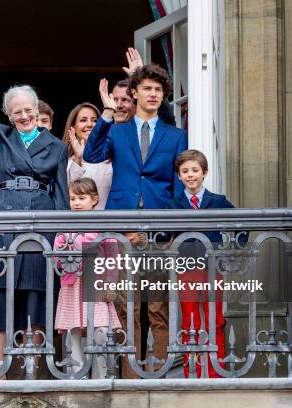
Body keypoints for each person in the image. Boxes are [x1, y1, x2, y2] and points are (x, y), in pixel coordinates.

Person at [83, 64, 188, 378]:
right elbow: (91, 154)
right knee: (128, 308)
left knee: (158, 307)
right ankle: (130, 377)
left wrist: (171, 229)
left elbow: (178, 184)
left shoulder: (175, 135)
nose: (153, 94)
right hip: (124, 226)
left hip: (159, 230)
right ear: (134, 93)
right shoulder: (117, 130)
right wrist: (105, 112)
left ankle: (157, 374)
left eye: (158, 90)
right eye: (147, 89)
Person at [0, 44, 69, 377]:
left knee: (36, 293)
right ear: (10, 115)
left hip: (41, 221)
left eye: (28, 110)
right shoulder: (1, 137)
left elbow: (63, 195)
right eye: (17, 112)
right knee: (1, 293)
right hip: (4, 219)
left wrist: (60, 237)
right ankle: (1, 370)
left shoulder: (56, 146)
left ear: (37, 110)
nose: (24, 116)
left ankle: (35, 369)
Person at [164, 149, 239, 378]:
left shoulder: (218, 201)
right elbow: (162, 232)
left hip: (212, 269)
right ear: (179, 175)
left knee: (214, 319)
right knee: (189, 321)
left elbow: (241, 223)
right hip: (186, 270)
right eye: (185, 171)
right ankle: (191, 374)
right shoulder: (173, 205)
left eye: (195, 170)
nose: (190, 175)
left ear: (204, 173)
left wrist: (235, 247)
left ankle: (216, 373)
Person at [54, 178, 121, 378]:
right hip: (72, 286)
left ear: (94, 199)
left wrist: (110, 283)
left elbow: (112, 258)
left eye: (81, 198)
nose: (76, 203)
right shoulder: (65, 228)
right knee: (73, 332)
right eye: (73, 198)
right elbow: (56, 260)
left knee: (100, 331)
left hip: (96, 285)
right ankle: (78, 376)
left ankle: (100, 376)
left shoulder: (102, 227)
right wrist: (63, 251)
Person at [62, 102, 111, 210]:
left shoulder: (111, 158)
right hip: (76, 224)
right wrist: (78, 159)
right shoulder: (64, 160)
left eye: (95, 120)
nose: (90, 124)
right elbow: (66, 194)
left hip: (107, 223)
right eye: (83, 120)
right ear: (73, 127)